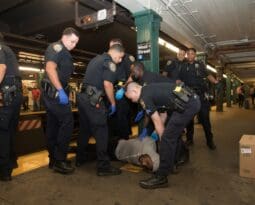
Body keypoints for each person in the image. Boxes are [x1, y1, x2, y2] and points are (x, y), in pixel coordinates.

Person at [125, 82, 200, 189]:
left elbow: (157, 122)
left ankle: (161, 177)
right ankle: (175, 160)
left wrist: (162, 142)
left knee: (167, 138)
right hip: (189, 99)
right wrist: (163, 134)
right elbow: (163, 113)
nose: (132, 101)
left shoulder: (144, 97)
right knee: (171, 135)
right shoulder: (150, 89)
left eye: (130, 98)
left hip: (188, 105)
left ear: (134, 90)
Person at [76, 44, 124, 176]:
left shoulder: (95, 59)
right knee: (102, 131)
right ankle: (103, 166)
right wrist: (113, 102)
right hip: (94, 100)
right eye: (120, 57)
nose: (120, 61)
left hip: (83, 98)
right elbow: (107, 84)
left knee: (84, 130)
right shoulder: (110, 63)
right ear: (115, 53)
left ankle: (79, 159)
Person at [41, 27, 79, 174]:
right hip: (55, 93)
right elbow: (50, 68)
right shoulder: (56, 47)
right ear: (64, 37)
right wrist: (61, 90)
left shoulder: (65, 52)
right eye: (72, 41)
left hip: (54, 94)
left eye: (76, 43)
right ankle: (60, 160)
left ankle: (53, 160)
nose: (74, 45)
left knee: (53, 125)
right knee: (67, 123)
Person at [178, 48, 218, 150]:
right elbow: (178, 81)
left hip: (200, 94)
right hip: (187, 94)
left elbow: (208, 75)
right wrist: (179, 95)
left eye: (192, 54)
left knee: (205, 119)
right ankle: (190, 139)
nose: (190, 55)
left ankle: (210, 141)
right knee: (188, 119)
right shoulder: (183, 66)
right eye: (188, 54)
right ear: (186, 55)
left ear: (195, 55)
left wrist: (215, 82)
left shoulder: (200, 65)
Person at [0, 33, 23, 181]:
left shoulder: (0, 48)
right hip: (16, 94)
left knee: (2, 132)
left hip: (7, 94)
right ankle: (12, 162)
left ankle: (4, 171)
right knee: (10, 130)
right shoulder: (8, 50)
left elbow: (1, 68)